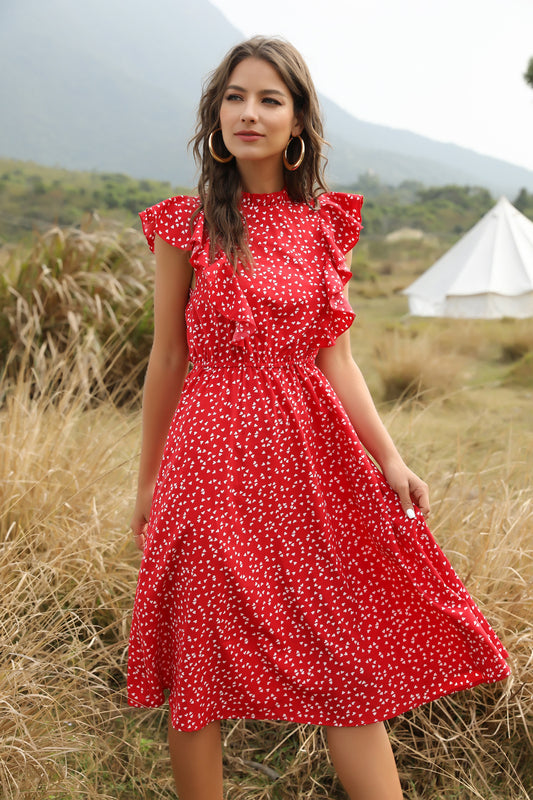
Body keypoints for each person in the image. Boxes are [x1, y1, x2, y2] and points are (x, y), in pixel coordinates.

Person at [127, 36, 510, 800]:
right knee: (199, 643)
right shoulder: (185, 223)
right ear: (214, 114)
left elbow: (336, 359)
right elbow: (167, 359)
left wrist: (390, 459)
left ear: (297, 122)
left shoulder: (322, 224)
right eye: (235, 96)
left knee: (339, 649)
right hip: (208, 457)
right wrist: (147, 484)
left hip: (311, 457)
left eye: (270, 99)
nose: (249, 112)